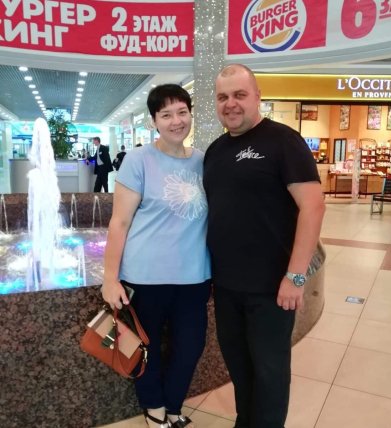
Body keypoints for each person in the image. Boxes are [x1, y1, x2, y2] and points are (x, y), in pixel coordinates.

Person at [203, 64, 325, 428]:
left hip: (272, 288)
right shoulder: (215, 151)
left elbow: (313, 207)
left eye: (240, 95)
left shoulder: (283, 141)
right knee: (239, 367)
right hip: (226, 286)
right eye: (223, 97)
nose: (230, 103)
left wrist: (296, 277)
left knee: (270, 372)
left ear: (258, 97)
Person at [102, 84, 211, 428]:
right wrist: (110, 278)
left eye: (182, 112)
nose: (176, 121)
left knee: (190, 346)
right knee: (146, 348)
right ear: (154, 121)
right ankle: (154, 408)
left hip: (195, 276)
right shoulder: (138, 160)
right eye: (166, 115)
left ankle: (174, 406)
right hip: (145, 276)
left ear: (190, 114)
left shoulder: (203, 161)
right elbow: (119, 222)